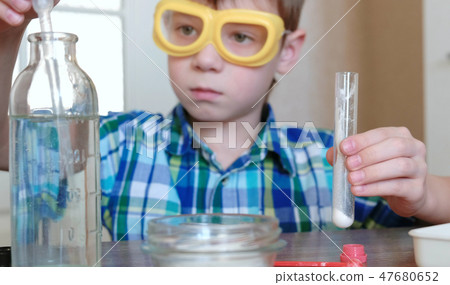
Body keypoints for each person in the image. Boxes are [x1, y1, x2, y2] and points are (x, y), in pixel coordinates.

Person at [0, 0, 449, 241]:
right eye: (188, 29)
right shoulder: (121, 144)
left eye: (239, 35)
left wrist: (423, 193)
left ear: (286, 52)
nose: (206, 58)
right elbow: (14, 148)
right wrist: (10, 30)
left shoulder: (331, 164)